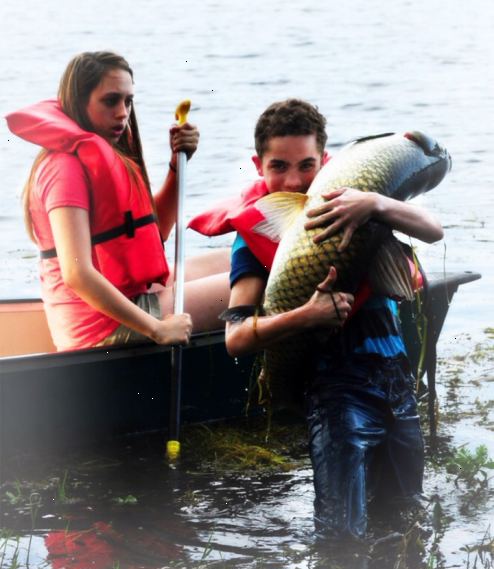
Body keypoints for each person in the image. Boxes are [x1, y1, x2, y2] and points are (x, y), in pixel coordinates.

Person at [190, 99, 444, 540]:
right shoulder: (254, 242)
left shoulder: (362, 208)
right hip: (334, 396)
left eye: (307, 165)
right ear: (257, 166)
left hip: (396, 384)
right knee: (341, 536)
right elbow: (235, 339)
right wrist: (306, 316)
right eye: (278, 167)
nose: (293, 179)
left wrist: (375, 203)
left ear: (326, 163)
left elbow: (432, 229)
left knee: (406, 519)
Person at [6, 51, 230, 352]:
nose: (123, 112)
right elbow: (77, 274)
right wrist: (159, 330)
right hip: (100, 326)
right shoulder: (63, 169)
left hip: (127, 295)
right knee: (254, 281)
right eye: (110, 101)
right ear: (79, 102)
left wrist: (179, 165)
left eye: (128, 101)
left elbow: (156, 232)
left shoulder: (106, 156)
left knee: (238, 260)